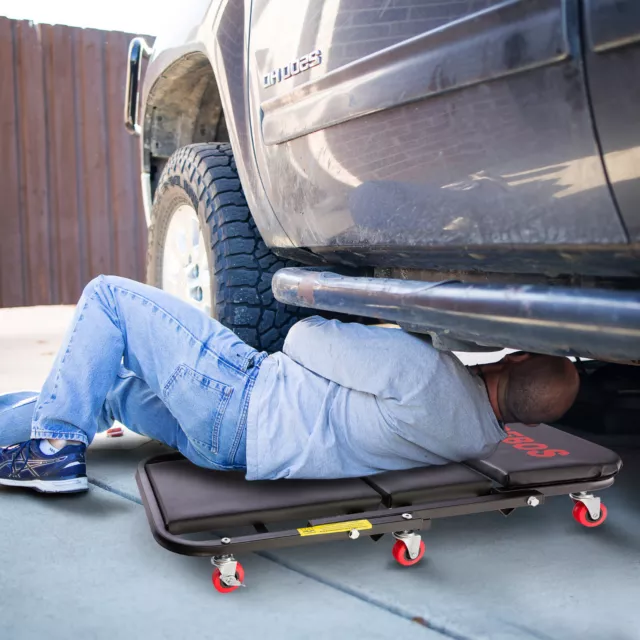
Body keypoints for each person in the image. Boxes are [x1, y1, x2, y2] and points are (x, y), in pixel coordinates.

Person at [0, 276, 580, 493]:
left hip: (240, 398)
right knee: (109, 386)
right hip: (229, 454)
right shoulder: (479, 440)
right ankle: (36, 430)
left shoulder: (427, 374)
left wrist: (382, 328)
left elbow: (303, 338)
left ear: (516, 355)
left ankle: (53, 445)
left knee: (108, 299)